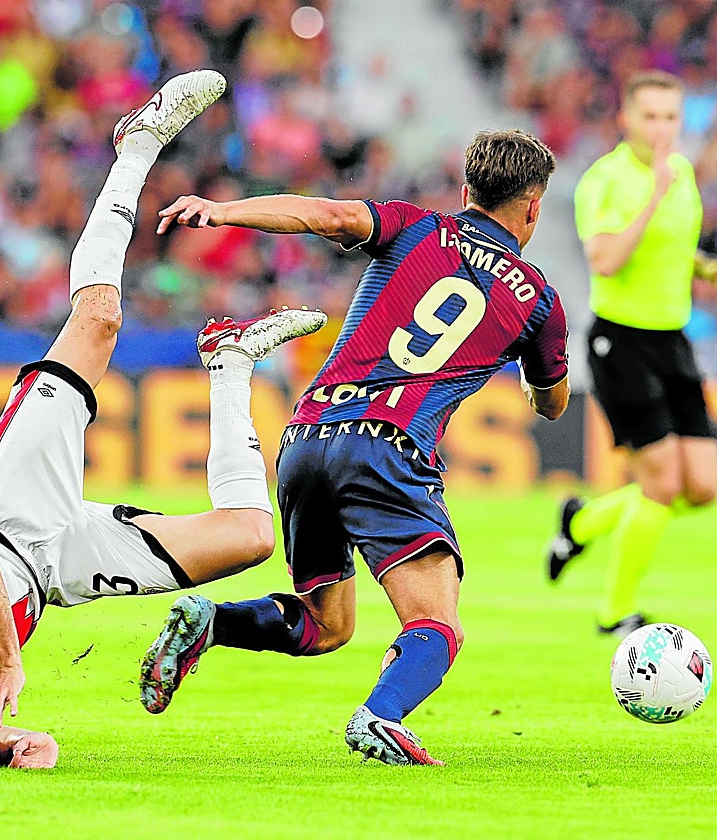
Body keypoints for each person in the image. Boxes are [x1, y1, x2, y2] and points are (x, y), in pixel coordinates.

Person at [0, 70, 328, 770]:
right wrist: (16, 749)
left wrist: (8, 667)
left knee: (98, 322)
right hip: (54, 572)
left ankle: (136, 146)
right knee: (248, 539)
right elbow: (32, 748)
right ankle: (231, 362)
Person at [141, 129, 570, 765]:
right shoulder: (537, 300)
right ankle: (381, 717)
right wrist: (531, 382)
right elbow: (553, 401)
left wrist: (224, 210)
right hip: (388, 448)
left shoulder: (414, 228)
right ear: (533, 208)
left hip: (308, 436)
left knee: (327, 624)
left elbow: (327, 214)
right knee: (437, 625)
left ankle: (212, 622)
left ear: (466, 191)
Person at [546, 71, 717, 637]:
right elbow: (606, 260)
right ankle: (615, 613)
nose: (661, 128)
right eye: (650, 116)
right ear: (625, 119)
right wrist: (653, 193)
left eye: (671, 118)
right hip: (620, 340)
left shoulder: (681, 173)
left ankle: (581, 522)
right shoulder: (605, 181)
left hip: (672, 340)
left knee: (702, 487)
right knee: (659, 486)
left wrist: (707, 269)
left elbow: (674, 246)